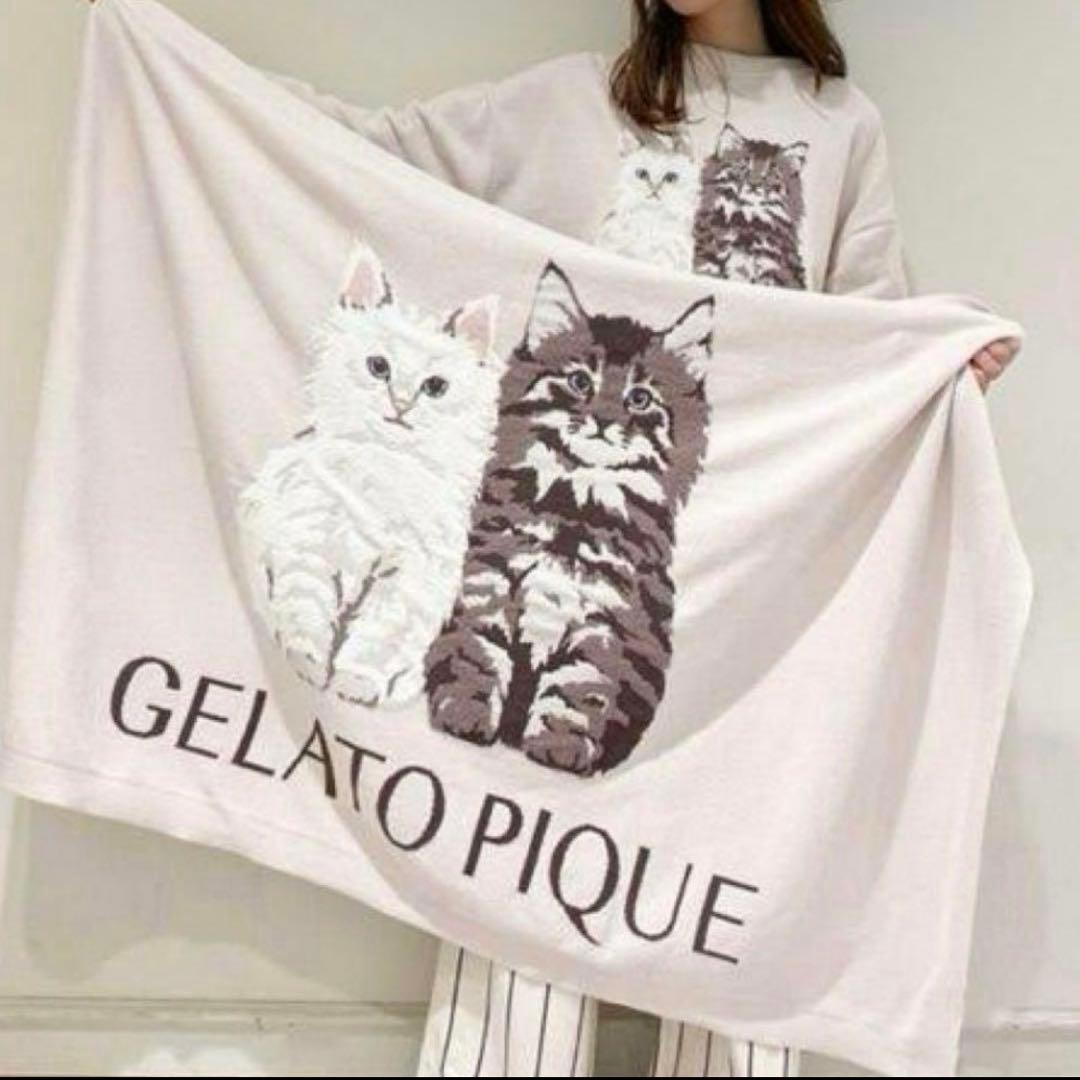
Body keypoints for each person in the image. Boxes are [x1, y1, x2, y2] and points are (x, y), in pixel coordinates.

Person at [82, 0, 1018, 1074]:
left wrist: (944, 370)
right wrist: (174, 71)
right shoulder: (576, 102)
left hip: (742, 599)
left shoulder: (839, 128)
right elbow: (367, 154)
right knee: (525, 868)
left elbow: (866, 352)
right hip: (547, 563)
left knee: (728, 904)